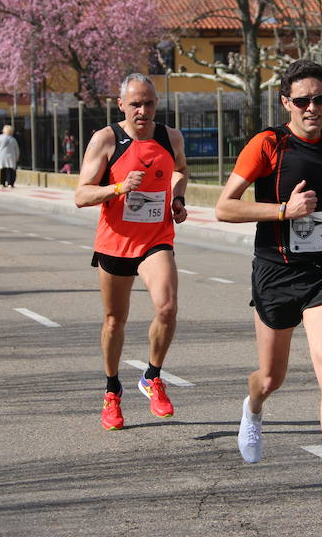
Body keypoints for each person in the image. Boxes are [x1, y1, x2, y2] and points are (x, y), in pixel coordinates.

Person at [215, 59, 322, 517]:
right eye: (301, 100)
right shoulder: (268, 144)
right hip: (275, 272)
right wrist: (284, 210)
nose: (311, 108)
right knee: (272, 376)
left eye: (319, 99)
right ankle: (254, 405)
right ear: (285, 102)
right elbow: (225, 208)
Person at [75, 73, 188, 431]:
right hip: (116, 242)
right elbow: (81, 195)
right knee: (114, 320)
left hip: (156, 237)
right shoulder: (107, 139)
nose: (143, 110)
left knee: (167, 308)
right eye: (135, 103)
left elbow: (181, 171)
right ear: (121, 104)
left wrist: (179, 198)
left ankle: (152, 377)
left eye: (149, 103)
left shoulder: (170, 137)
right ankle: (111, 391)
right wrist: (119, 187)